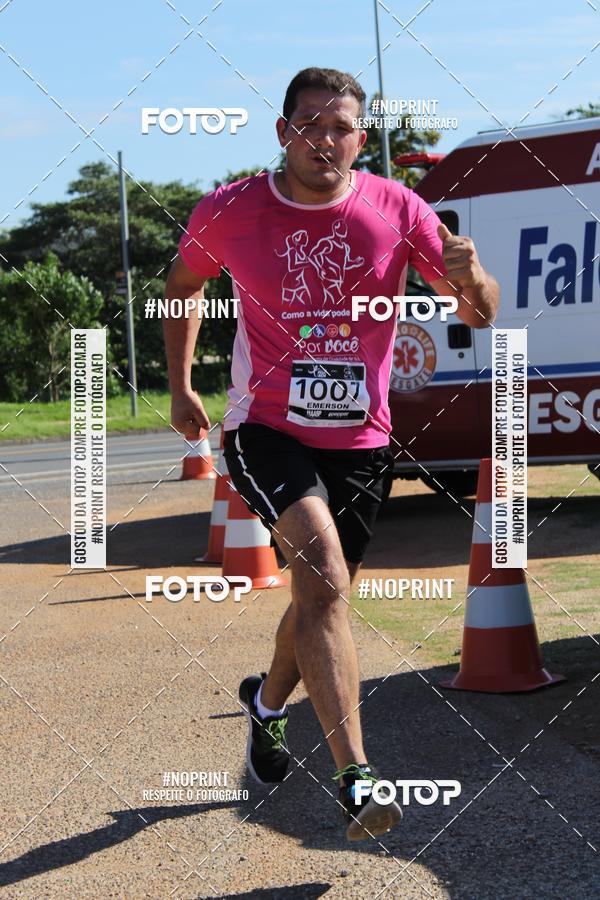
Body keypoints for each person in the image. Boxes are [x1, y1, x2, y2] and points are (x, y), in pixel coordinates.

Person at [163, 66, 499, 841]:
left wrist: (473, 275)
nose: (325, 138)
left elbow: (478, 314)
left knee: (321, 598)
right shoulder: (231, 209)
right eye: (309, 123)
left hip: (364, 440)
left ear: (361, 138)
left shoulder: (397, 206)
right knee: (323, 574)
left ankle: (266, 704)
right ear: (283, 132)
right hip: (265, 427)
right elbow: (182, 285)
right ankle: (357, 778)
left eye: (341, 126)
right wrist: (180, 387)